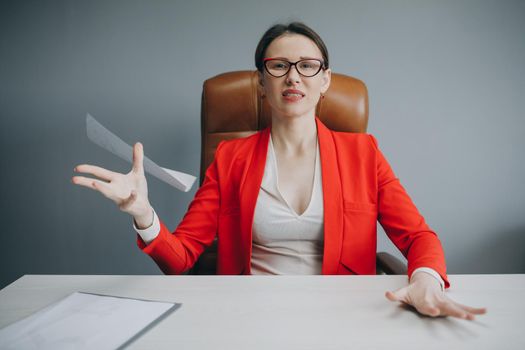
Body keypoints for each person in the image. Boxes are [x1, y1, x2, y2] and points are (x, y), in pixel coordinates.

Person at [72, 22, 486, 320]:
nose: (293, 76)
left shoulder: (364, 152)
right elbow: (180, 260)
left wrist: (427, 279)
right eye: (279, 65)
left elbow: (418, 238)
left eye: (308, 65)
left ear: (325, 80)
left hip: (344, 317)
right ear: (260, 81)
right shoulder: (231, 158)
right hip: (246, 317)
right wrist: (144, 214)